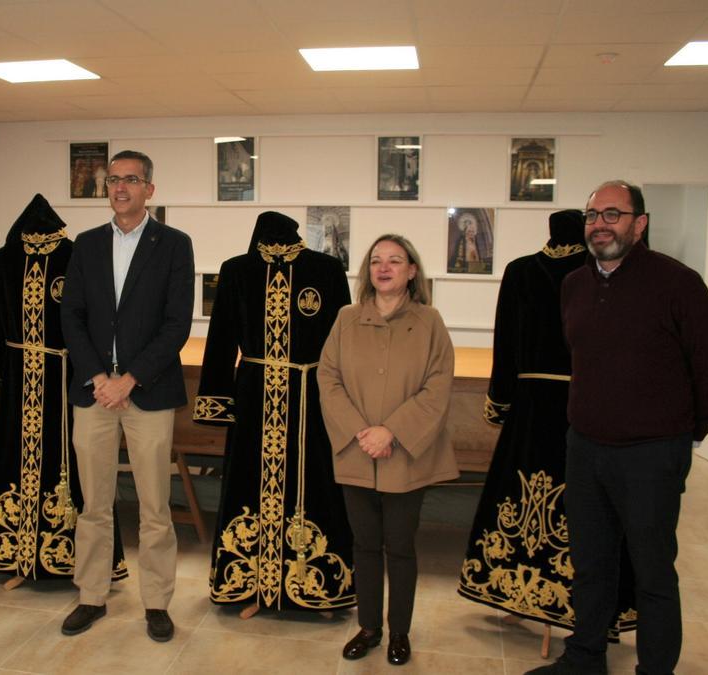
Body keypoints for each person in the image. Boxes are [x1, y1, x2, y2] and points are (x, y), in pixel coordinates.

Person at [527, 181, 708, 675]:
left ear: (639, 223)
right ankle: (584, 659)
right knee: (592, 566)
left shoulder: (678, 283)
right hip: (586, 449)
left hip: (651, 456)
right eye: (593, 214)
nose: (600, 223)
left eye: (613, 214)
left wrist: (682, 435)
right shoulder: (574, 285)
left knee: (652, 572)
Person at [458, 210, 638, 638]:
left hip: (532, 408)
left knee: (529, 498)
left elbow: (506, 346)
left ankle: (523, 590)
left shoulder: (523, 271)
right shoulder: (597, 271)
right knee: (582, 504)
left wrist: (499, 403)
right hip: (586, 406)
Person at [60, 149, 194, 642]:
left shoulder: (174, 244)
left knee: (155, 507)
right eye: (113, 180)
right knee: (94, 504)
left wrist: (130, 378)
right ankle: (91, 596)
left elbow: (177, 323)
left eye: (131, 180)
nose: (120, 188)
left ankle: (157, 602)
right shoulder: (86, 244)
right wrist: (98, 376)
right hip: (93, 392)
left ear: (149, 190)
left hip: (149, 392)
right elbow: (70, 316)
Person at [194, 211, 354, 616]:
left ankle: (315, 583)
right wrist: (217, 401)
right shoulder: (236, 271)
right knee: (250, 481)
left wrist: (345, 404)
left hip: (310, 397)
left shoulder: (327, 269)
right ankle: (251, 584)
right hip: (253, 398)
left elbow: (344, 342)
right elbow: (222, 338)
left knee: (313, 481)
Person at [318, 234, 459, 666]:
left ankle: (399, 631)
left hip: (405, 453)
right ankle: (369, 627)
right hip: (356, 450)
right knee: (363, 544)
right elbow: (328, 378)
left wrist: (391, 432)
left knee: (399, 546)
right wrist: (362, 431)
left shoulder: (430, 321)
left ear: (412, 271)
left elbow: (437, 387)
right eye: (377, 260)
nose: (384, 268)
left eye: (395, 261)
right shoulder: (346, 318)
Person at [0, 194, 128, 585]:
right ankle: (16, 553)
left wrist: (95, 374)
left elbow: (94, 320)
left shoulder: (76, 255)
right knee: (16, 458)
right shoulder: (3, 259)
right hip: (17, 378)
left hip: (67, 376)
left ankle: (77, 558)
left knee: (75, 465)